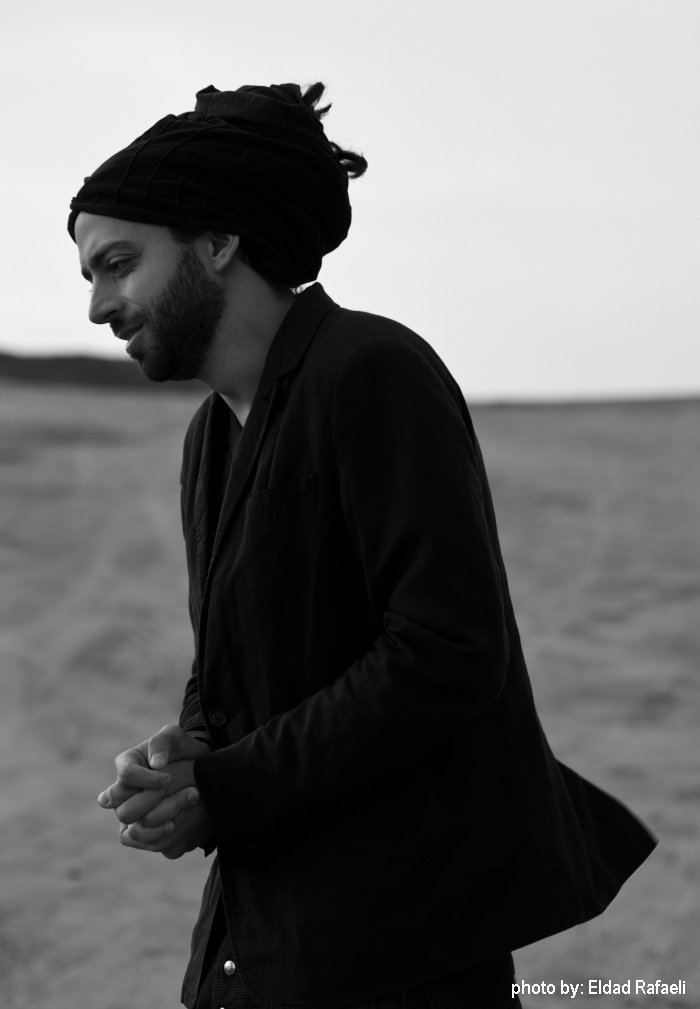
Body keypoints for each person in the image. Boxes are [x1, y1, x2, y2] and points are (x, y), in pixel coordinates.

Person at [69, 82, 656, 1009]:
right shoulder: (209, 437)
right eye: (92, 278)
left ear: (218, 242)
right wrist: (189, 752)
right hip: (262, 933)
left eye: (118, 264)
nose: (100, 306)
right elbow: (246, 661)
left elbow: (447, 651)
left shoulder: (371, 370)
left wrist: (228, 784)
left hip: (399, 948)